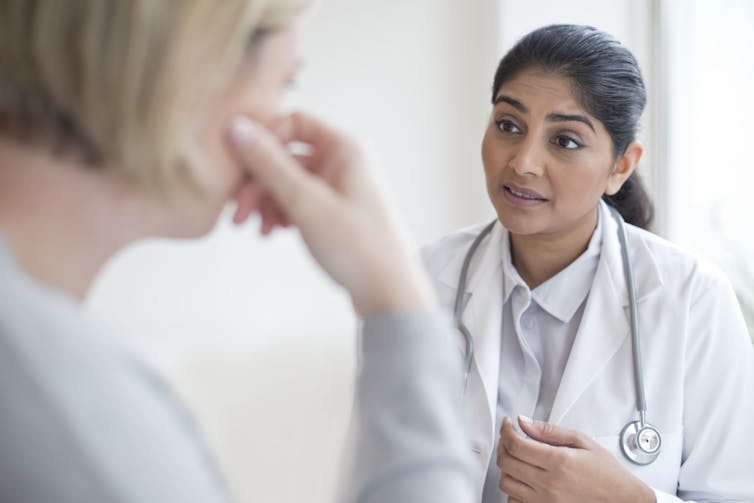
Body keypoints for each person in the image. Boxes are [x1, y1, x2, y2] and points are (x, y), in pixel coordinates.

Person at [0, 1, 477, 501]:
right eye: (284, 84)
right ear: (187, 67)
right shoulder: (75, 424)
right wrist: (399, 300)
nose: (282, 128)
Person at [420, 24, 754, 503]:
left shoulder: (693, 298)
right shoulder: (422, 281)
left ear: (621, 166)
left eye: (566, 141)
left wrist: (630, 499)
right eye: (508, 126)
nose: (523, 162)